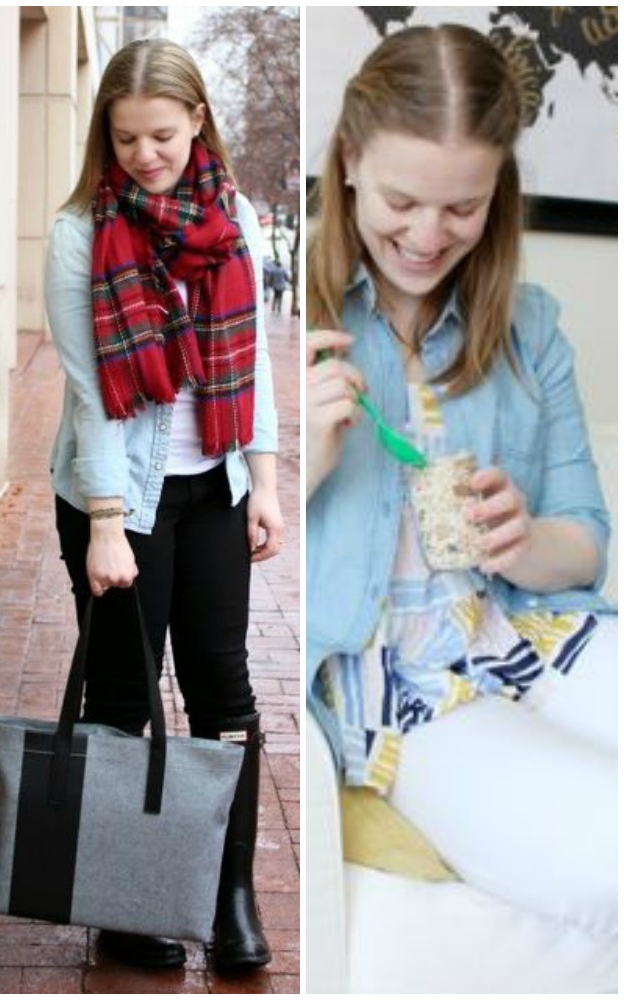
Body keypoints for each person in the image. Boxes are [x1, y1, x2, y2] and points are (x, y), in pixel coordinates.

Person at [306, 24, 616, 938]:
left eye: (463, 208)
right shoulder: (286, 318)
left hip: (531, 631)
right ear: (351, 160)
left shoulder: (528, 327)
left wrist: (525, 539)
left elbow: (585, 539)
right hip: (400, 685)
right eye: (403, 199)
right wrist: (300, 459)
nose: (427, 236)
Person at [45, 38, 284, 972]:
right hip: (117, 498)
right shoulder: (79, 232)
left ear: (195, 122)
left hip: (214, 485)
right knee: (120, 696)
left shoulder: (234, 218)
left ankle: (230, 897)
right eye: (125, 138)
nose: (145, 155)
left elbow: (254, 358)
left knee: (223, 692)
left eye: (160, 135)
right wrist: (106, 521)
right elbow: (92, 389)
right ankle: (124, 900)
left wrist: (263, 480)